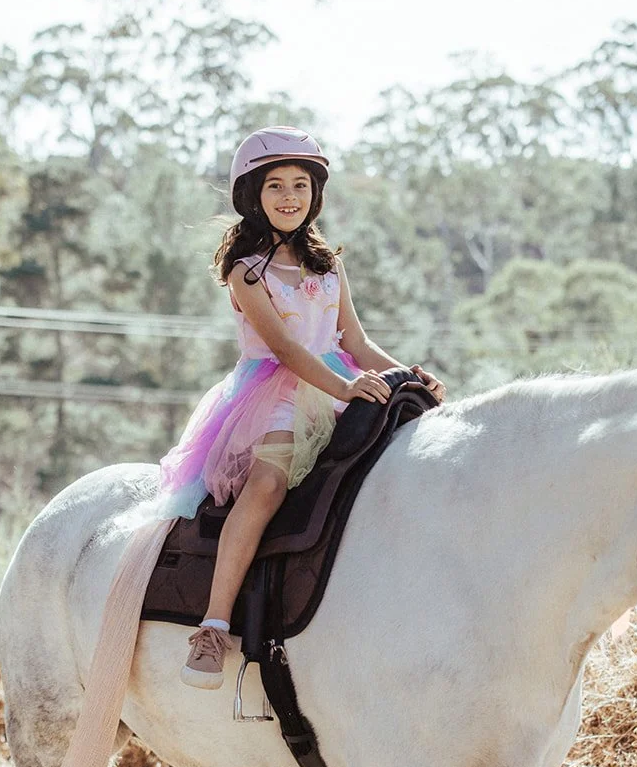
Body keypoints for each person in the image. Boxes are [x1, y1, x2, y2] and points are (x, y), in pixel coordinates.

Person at [158, 126, 445, 687]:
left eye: (300, 185)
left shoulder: (329, 266)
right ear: (252, 196)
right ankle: (213, 626)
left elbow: (357, 345)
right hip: (275, 390)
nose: (289, 196)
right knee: (266, 486)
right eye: (275, 186)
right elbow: (287, 350)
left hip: (338, 381)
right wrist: (343, 390)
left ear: (315, 195)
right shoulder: (247, 272)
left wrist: (407, 374)